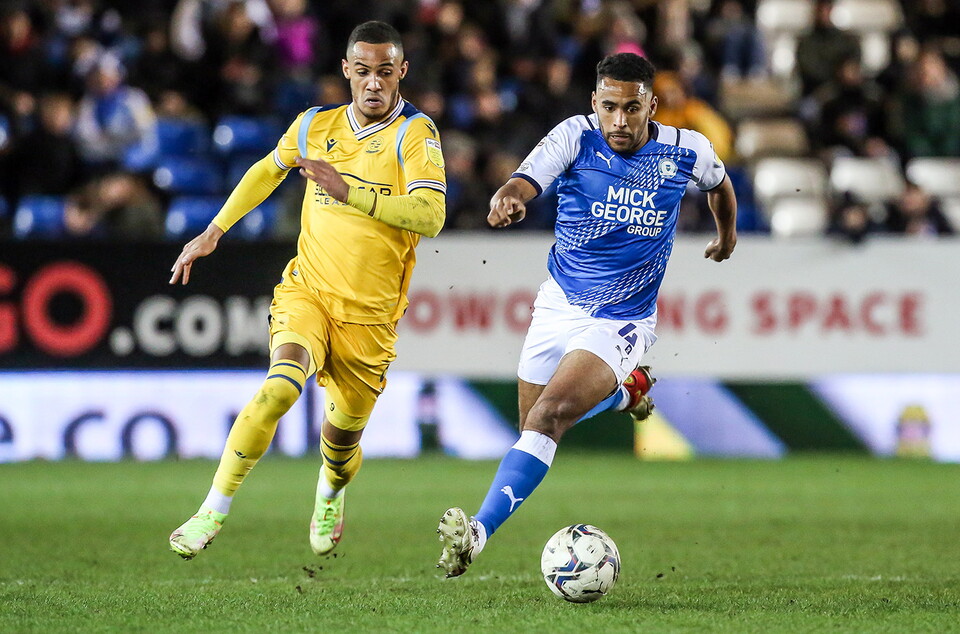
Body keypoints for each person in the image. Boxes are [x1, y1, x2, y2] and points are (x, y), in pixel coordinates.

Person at [436, 52, 737, 578]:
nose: (618, 121)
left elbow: (721, 186)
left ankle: (477, 534)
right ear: (593, 103)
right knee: (532, 428)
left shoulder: (687, 150)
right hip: (557, 304)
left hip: (622, 319)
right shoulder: (575, 137)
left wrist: (726, 235)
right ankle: (627, 393)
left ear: (652, 106)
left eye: (631, 108)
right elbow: (526, 179)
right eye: (608, 107)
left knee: (549, 416)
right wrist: (508, 196)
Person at [168, 20, 446, 560]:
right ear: (346, 70)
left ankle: (330, 490)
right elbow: (267, 170)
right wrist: (213, 232)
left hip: (369, 317)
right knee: (278, 389)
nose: (372, 83)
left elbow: (430, 215)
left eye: (384, 73)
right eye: (362, 71)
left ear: (401, 74)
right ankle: (211, 510)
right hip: (309, 291)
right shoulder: (313, 126)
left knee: (340, 444)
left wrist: (351, 189)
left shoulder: (416, 135)